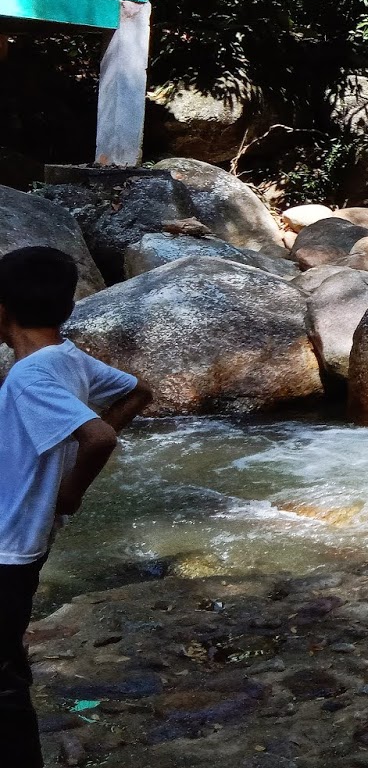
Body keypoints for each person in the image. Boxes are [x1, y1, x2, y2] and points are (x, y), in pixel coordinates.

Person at [0, 247, 152, 766]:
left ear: (3, 310)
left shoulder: (29, 376)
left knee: (3, 677)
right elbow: (137, 391)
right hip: (26, 537)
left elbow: (99, 437)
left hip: (8, 546)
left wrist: (70, 491)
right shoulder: (67, 358)